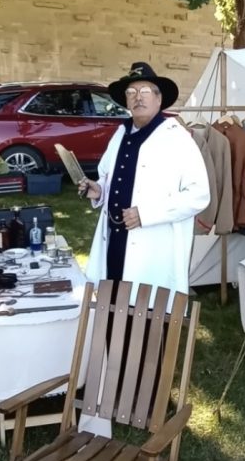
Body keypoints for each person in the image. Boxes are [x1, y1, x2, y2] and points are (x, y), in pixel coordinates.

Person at [79, 61, 210, 301]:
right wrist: (98, 191)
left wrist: (147, 214)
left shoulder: (176, 138)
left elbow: (199, 194)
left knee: (146, 313)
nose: (138, 97)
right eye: (131, 93)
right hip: (115, 240)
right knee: (113, 307)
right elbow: (109, 178)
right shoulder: (120, 134)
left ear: (159, 100)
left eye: (145, 92)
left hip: (153, 247)